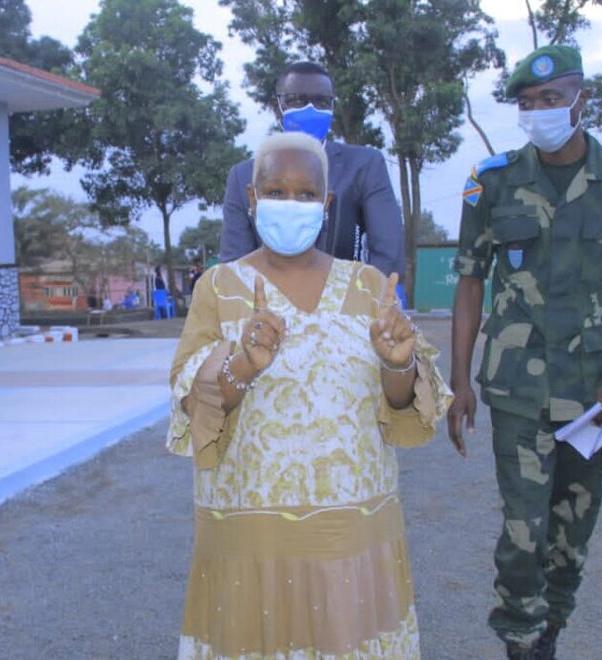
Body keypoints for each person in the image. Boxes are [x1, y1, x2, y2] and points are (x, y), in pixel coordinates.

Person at [168, 132, 452, 658]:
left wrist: (399, 362)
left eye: (305, 194)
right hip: (250, 536)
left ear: (327, 203)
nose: (290, 203)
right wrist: (243, 364)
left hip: (352, 534)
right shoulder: (218, 288)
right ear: (252, 198)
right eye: (276, 191)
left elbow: (402, 407)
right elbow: (195, 406)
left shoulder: (369, 286)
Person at [447, 45, 602, 660]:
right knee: (524, 534)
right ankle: (521, 644)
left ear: (580, 100)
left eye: (550, 98)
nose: (538, 110)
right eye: (527, 102)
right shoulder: (492, 183)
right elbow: (469, 282)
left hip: (594, 393)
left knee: (571, 538)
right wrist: (459, 380)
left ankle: (549, 635)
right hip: (517, 389)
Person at [219, 61, 406, 301]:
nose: (310, 109)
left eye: (322, 101)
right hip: (266, 309)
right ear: (277, 107)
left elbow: (387, 250)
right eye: (297, 100)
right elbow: (235, 264)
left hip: (348, 304)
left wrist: (362, 305)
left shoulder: (364, 166)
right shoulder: (243, 176)